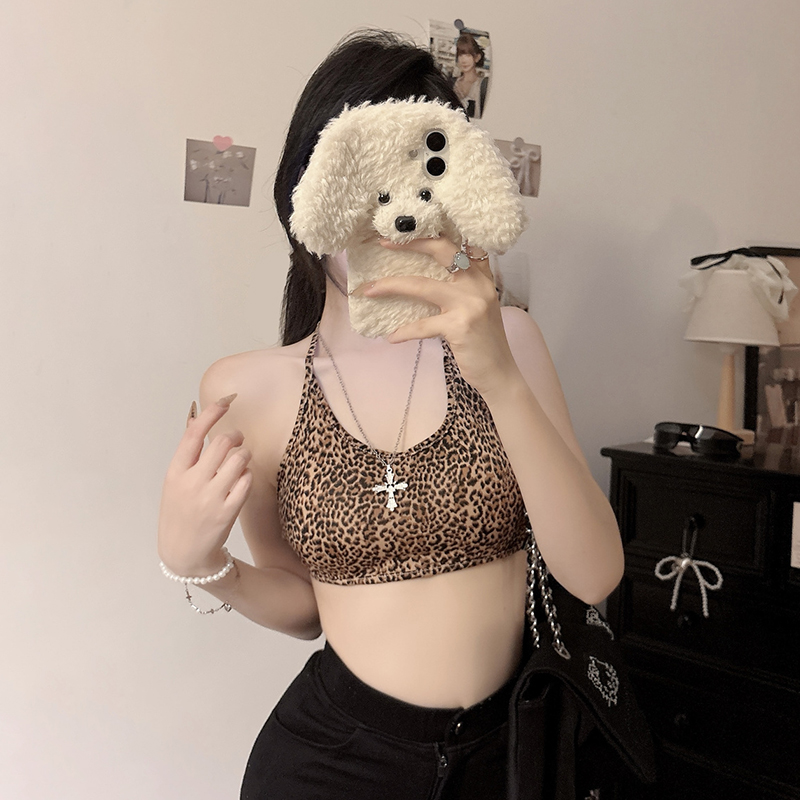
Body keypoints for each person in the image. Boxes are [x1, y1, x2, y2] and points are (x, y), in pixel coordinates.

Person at [157, 29, 624, 799]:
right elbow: (304, 607)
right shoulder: (248, 390)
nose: (397, 213)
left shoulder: (510, 340)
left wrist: (499, 377)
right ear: (309, 198)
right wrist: (202, 566)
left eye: (428, 168)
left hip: (510, 754)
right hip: (332, 763)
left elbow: (595, 573)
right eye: (366, 176)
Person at [452, 32, 489, 119]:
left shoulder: (483, 85)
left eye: (468, 55)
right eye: (460, 55)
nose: (464, 60)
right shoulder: (452, 83)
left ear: (477, 57)